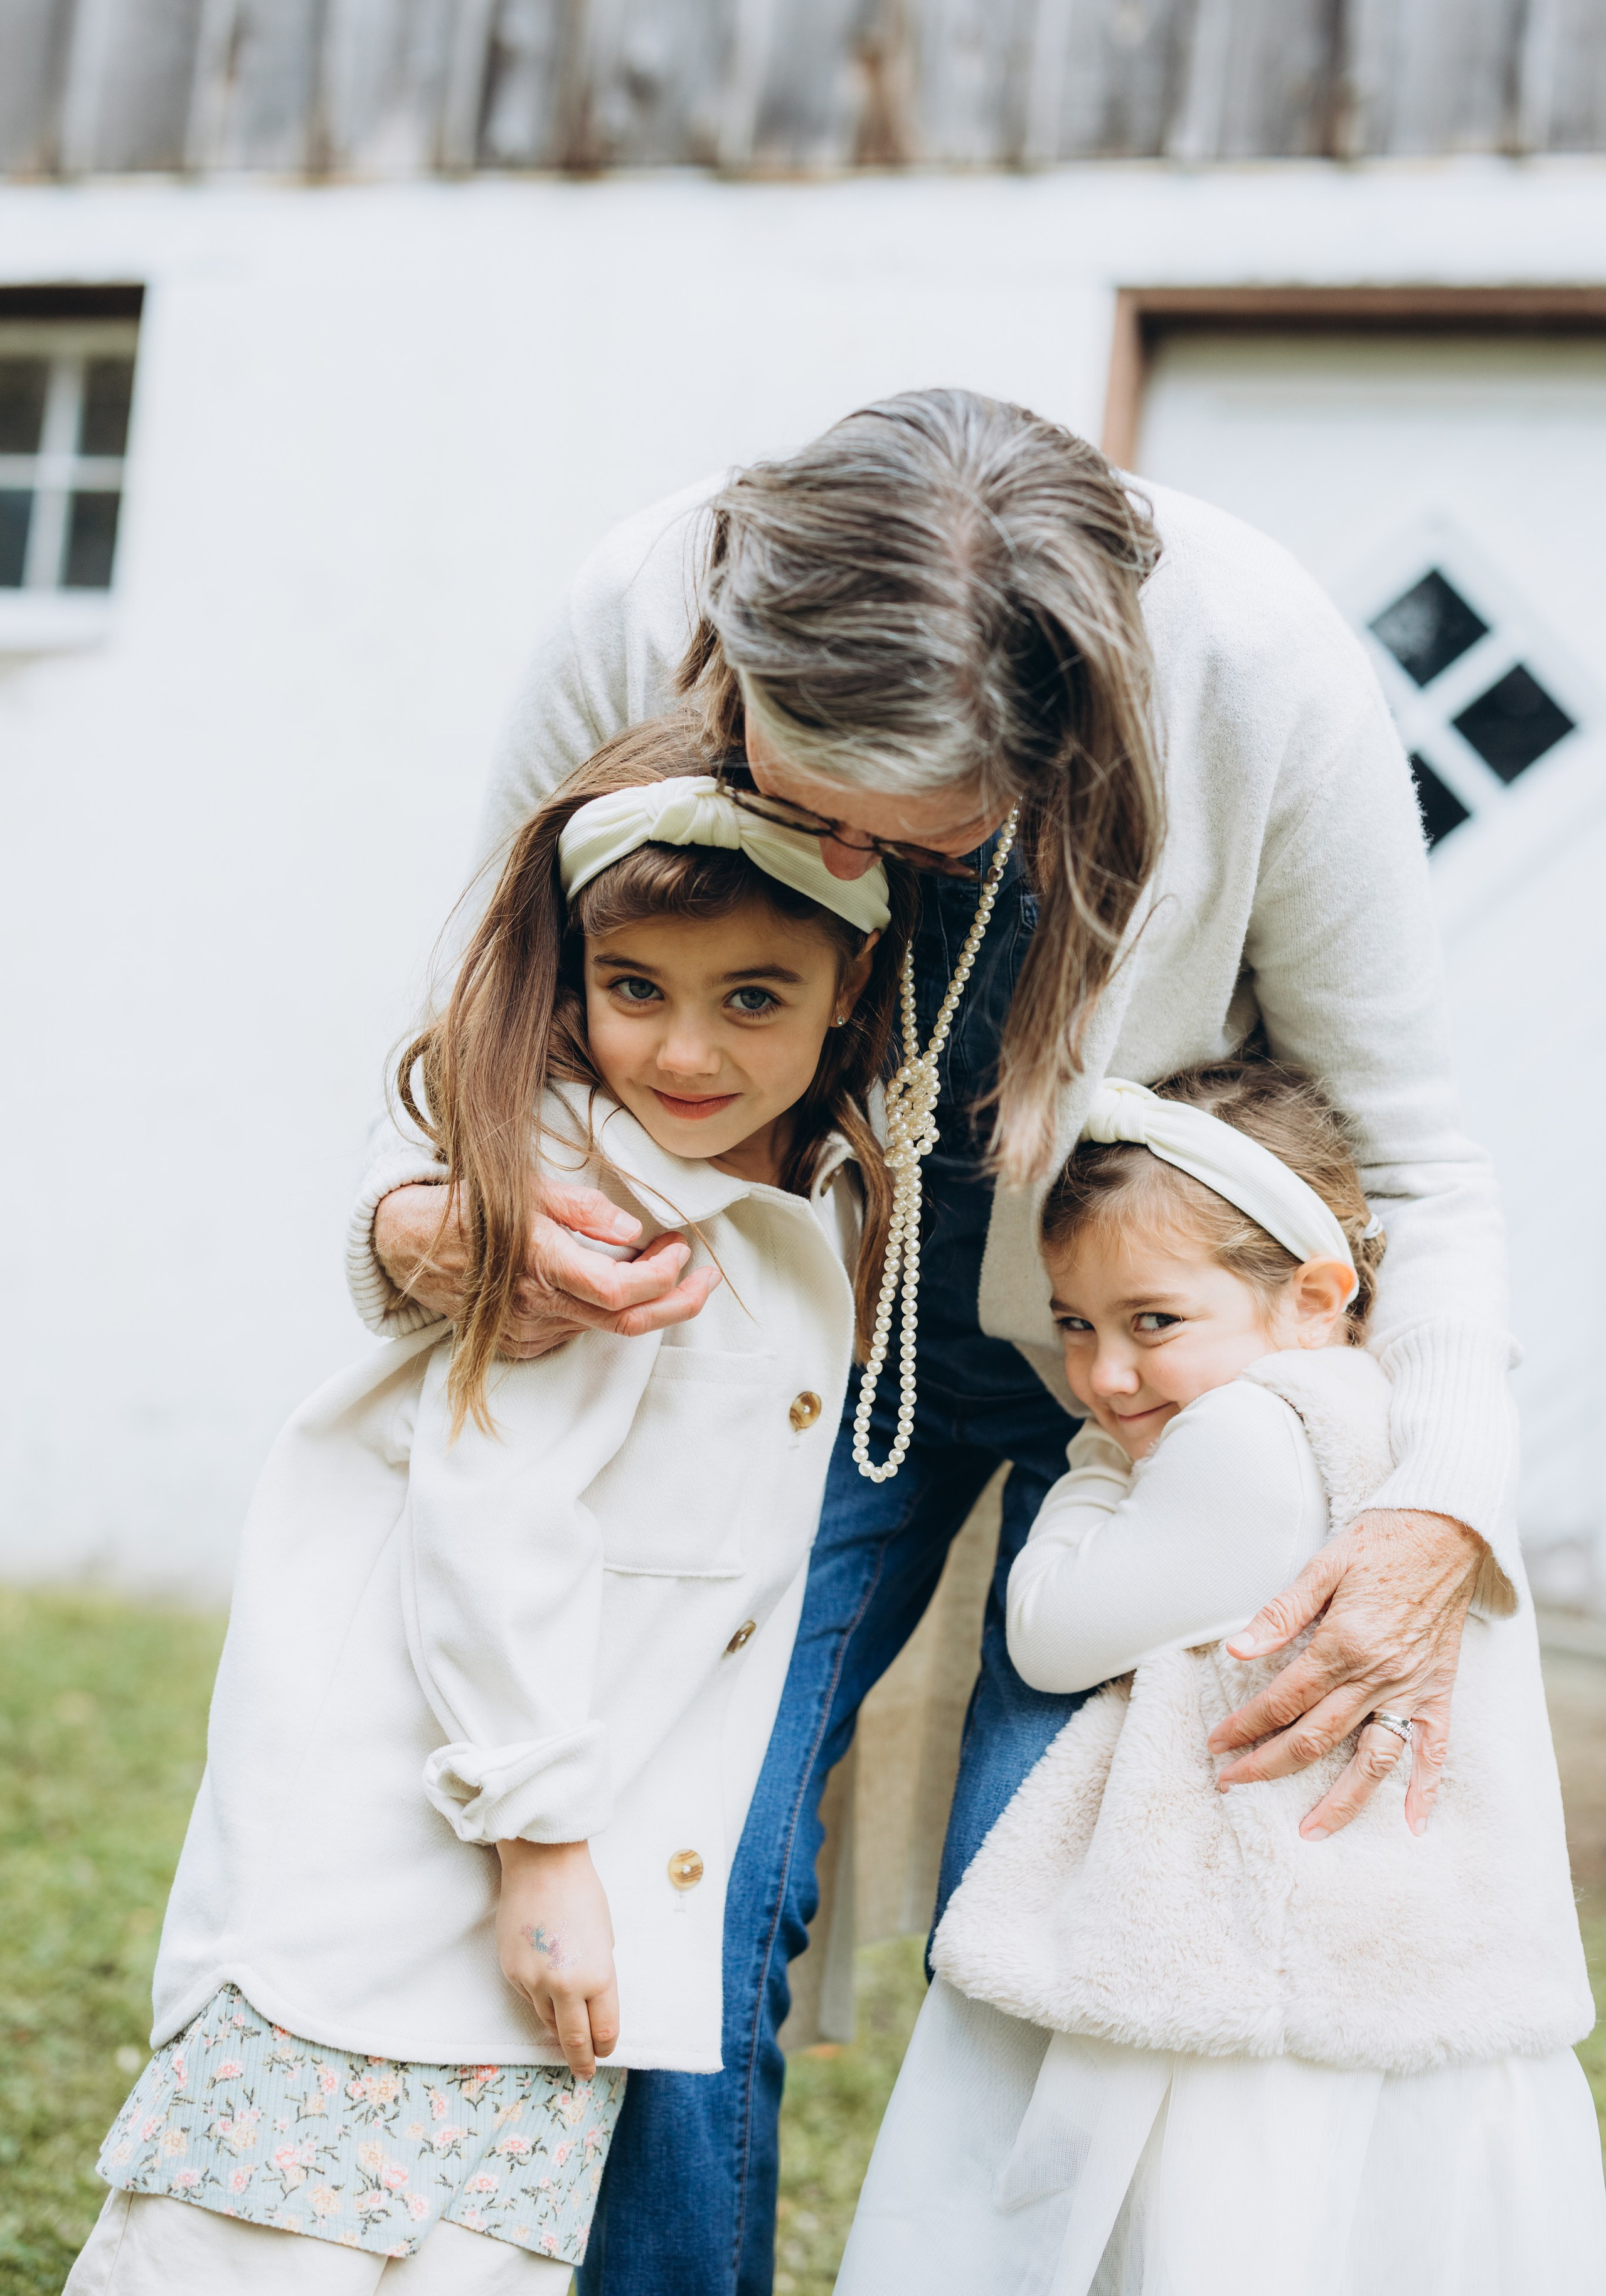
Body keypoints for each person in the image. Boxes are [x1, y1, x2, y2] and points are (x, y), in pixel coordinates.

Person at [353, 389, 1517, 2296]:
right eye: (785, 799)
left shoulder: (1262, 664)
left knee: (1073, 1900)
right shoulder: (635, 610)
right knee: (686, 1856)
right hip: (772, 1333)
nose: (831, 856)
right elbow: (486, 1029)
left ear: (1062, 749)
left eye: (905, 837)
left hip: (1157, 1376)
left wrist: (1439, 1508)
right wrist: (424, 1222)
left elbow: (1418, 1147)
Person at [68, 712, 915, 2294]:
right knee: (277, 2237)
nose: (684, 1053)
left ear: (846, 990)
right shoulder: (597, 1211)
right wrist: (538, 1844)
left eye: (755, 999)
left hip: (546, 1842)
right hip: (444, 1834)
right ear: (574, 975)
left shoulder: (792, 1202)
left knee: (461, 2244)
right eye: (634, 991)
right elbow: (493, 1511)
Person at [838, 1060, 1605, 2295]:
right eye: (1074, 1325)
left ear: (1311, 1296)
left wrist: (1087, 1466)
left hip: (1238, 1972)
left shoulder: (1246, 1437)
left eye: (1152, 1322)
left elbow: (1047, 1630)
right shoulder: (1398, 1427)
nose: (1106, 1377)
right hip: (1377, 1952)